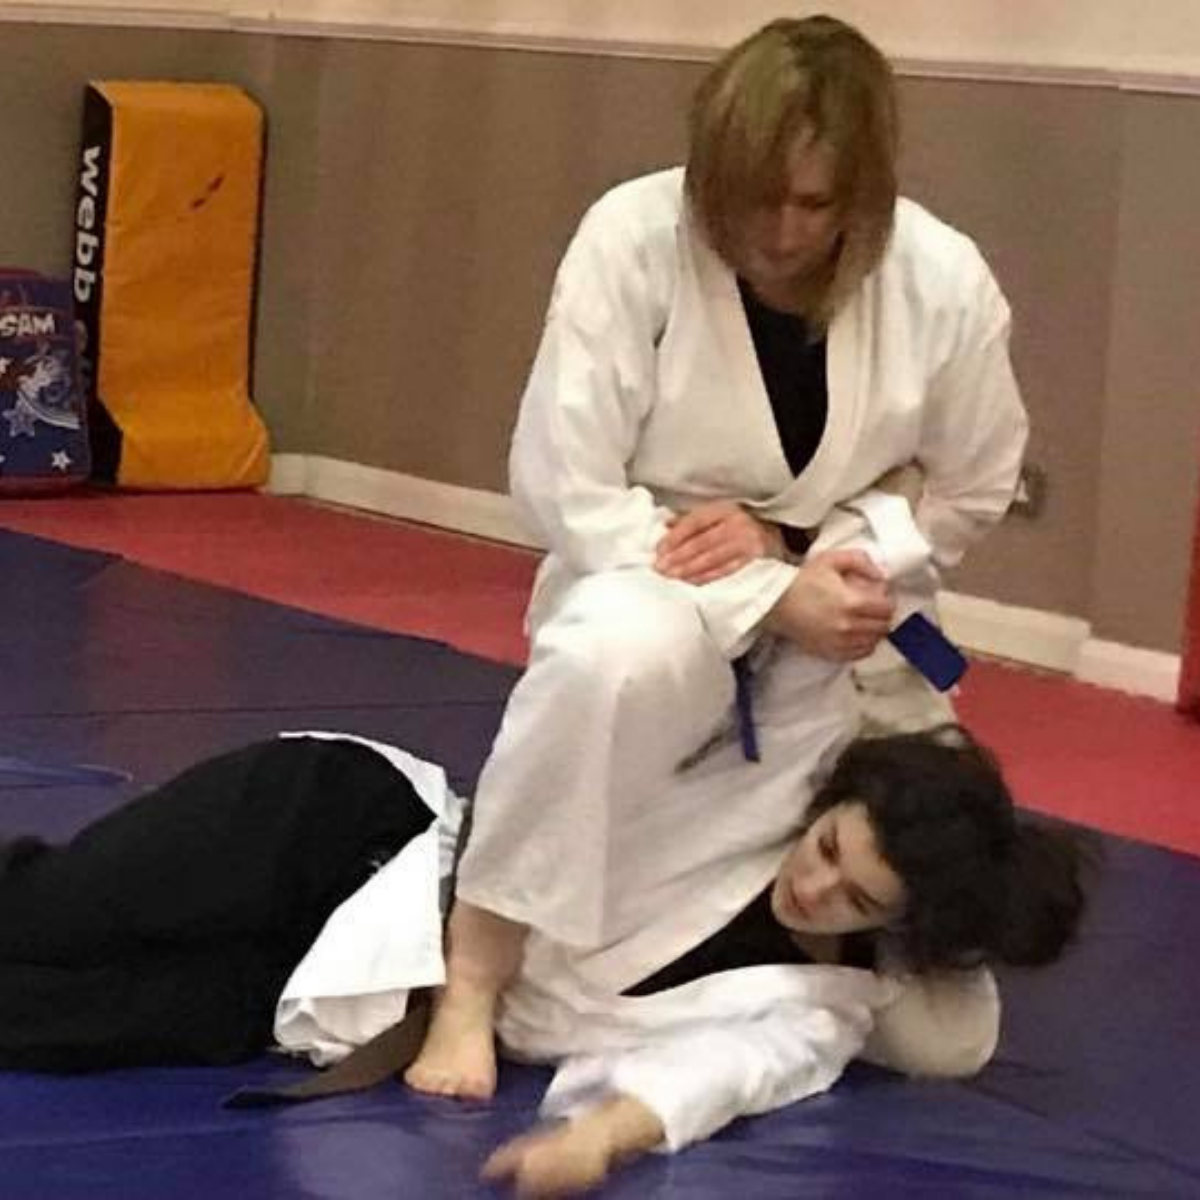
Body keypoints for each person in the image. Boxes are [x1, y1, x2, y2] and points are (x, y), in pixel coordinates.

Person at [406, 13, 1029, 1100]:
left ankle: (776, 975)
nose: (781, 232)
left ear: (867, 193)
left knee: (947, 1033)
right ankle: (475, 974)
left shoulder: (942, 279)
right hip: (659, 588)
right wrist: (767, 590)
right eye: (753, 195)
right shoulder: (633, 236)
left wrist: (817, 549)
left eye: (816, 203)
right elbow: (568, 485)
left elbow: (975, 486)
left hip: (859, 624)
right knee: (604, 662)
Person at [0, 727, 1091, 1200]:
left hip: (341, 996)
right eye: (828, 851)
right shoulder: (729, 803)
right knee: (48, 914)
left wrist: (598, 1139)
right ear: (824, 809)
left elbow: (719, 1081)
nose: (815, 890)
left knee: (48, 1025)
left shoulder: (822, 1010)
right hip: (352, 828)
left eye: (857, 901)